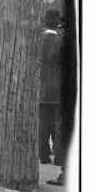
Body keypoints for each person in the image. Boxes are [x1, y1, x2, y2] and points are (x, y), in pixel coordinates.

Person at [39, 9, 64, 166]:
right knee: (58, 125)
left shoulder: (38, 40)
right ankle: (60, 157)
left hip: (41, 88)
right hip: (59, 88)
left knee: (43, 124)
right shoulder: (62, 40)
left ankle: (43, 155)